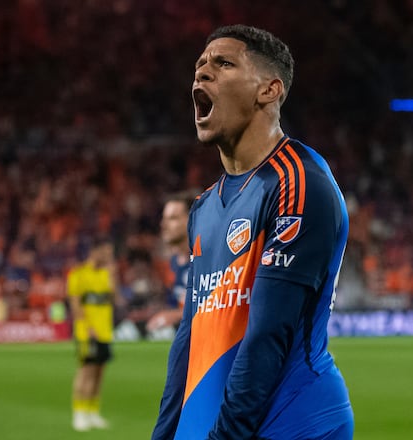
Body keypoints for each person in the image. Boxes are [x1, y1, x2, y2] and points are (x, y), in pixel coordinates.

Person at [152, 25, 354, 439]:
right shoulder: (204, 206)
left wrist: (225, 436)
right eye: (200, 66)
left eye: (223, 63)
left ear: (269, 90)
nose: (201, 74)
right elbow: (189, 336)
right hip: (211, 420)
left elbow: (268, 334)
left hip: (293, 421)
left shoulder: (298, 182)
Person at [67, 238, 118, 431]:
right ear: (95, 251)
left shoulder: (106, 274)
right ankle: (79, 413)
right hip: (87, 332)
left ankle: (92, 411)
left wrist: (113, 277)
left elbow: (113, 298)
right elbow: (75, 303)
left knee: (99, 373)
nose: (109, 257)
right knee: (85, 372)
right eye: (106, 252)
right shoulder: (78, 274)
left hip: (105, 331)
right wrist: (87, 327)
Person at [147, 192, 196, 335]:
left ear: (191, 220)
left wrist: (174, 316)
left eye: (172, 218)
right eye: (164, 218)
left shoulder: (207, 260)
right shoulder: (173, 264)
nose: (163, 224)